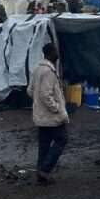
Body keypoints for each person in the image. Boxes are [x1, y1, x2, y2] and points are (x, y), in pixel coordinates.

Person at [28, 42, 69, 185]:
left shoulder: (37, 69)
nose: (57, 54)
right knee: (62, 138)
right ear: (50, 53)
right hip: (52, 116)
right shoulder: (48, 72)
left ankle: (41, 175)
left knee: (44, 145)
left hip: (40, 116)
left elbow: (30, 91)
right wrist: (56, 108)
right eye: (55, 51)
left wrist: (38, 103)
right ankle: (45, 170)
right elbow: (46, 95)